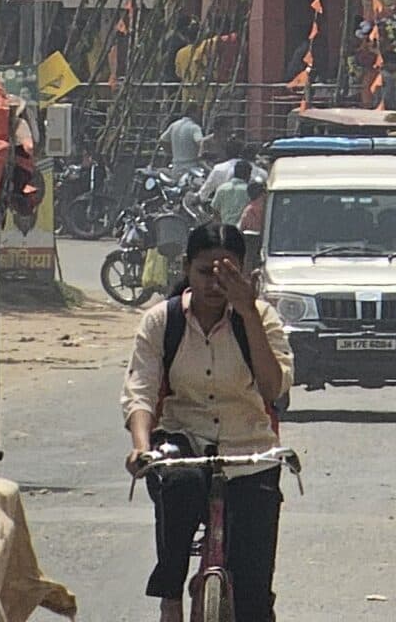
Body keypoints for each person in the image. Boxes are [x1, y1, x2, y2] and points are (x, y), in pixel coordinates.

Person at [123, 222, 294, 622]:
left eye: (226, 274)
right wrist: (141, 446)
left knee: (254, 597)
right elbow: (141, 390)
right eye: (204, 272)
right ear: (186, 269)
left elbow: (272, 388)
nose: (214, 284)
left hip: (251, 450)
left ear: (244, 272)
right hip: (183, 442)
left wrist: (249, 312)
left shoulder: (263, 318)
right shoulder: (161, 322)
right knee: (177, 485)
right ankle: (170, 599)